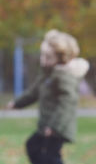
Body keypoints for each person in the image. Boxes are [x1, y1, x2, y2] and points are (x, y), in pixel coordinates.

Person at [8, 29, 89, 164]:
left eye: (48, 57)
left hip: (58, 126)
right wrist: (17, 103)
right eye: (43, 56)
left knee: (50, 156)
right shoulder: (47, 74)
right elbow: (33, 92)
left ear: (61, 58)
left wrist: (54, 127)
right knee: (33, 146)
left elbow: (67, 104)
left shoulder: (63, 76)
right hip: (46, 124)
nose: (43, 60)